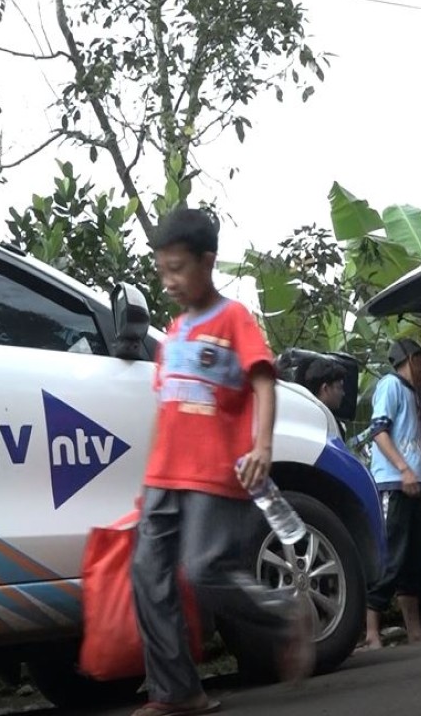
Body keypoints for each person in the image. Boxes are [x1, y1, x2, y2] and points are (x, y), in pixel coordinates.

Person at [131, 208, 314, 716]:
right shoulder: (174, 332)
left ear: (207, 262)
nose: (168, 281)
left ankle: (284, 613)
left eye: (177, 269)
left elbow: (263, 381)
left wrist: (262, 447)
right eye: (162, 270)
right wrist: (147, 477)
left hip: (218, 471)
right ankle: (177, 692)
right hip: (164, 474)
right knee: (148, 573)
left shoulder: (233, 318)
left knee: (206, 568)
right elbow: (167, 408)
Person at [360, 338, 421, 650]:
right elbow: (378, 430)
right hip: (395, 481)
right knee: (392, 556)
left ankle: (414, 628)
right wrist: (403, 468)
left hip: (419, 482)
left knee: (417, 560)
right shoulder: (390, 386)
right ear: (409, 359)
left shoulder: (417, 396)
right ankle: (371, 632)